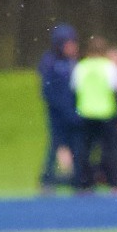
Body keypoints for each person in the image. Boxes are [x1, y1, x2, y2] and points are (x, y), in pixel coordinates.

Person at [70, 36, 117, 192]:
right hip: (106, 113)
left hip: (86, 113)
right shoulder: (109, 67)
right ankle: (114, 183)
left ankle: (84, 184)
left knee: (85, 151)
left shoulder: (81, 67)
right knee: (110, 151)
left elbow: (75, 89)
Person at [37, 23, 79, 194]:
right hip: (57, 114)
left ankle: (76, 179)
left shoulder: (73, 62)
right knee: (55, 145)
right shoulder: (50, 62)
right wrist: (61, 107)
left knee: (76, 146)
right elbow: (47, 90)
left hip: (73, 112)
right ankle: (47, 179)